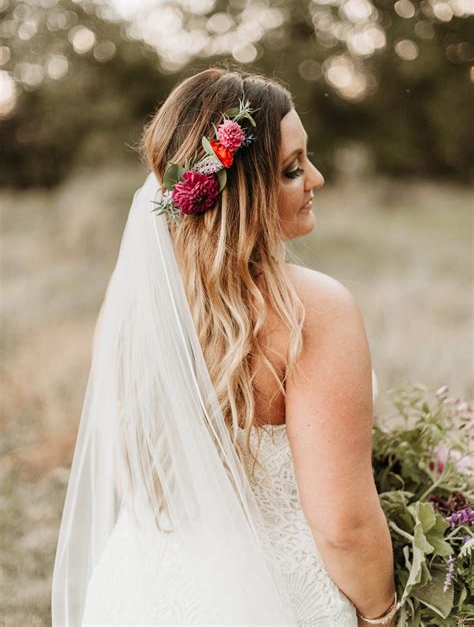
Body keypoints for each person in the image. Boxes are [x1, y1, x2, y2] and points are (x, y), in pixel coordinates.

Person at [51, 67, 397, 626]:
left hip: (139, 594)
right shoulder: (314, 310)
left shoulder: (134, 300)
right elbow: (343, 525)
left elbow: (130, 468)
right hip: (281, 601)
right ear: (243, 191)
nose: (317, 178)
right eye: (291, 168)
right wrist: (384, 614)